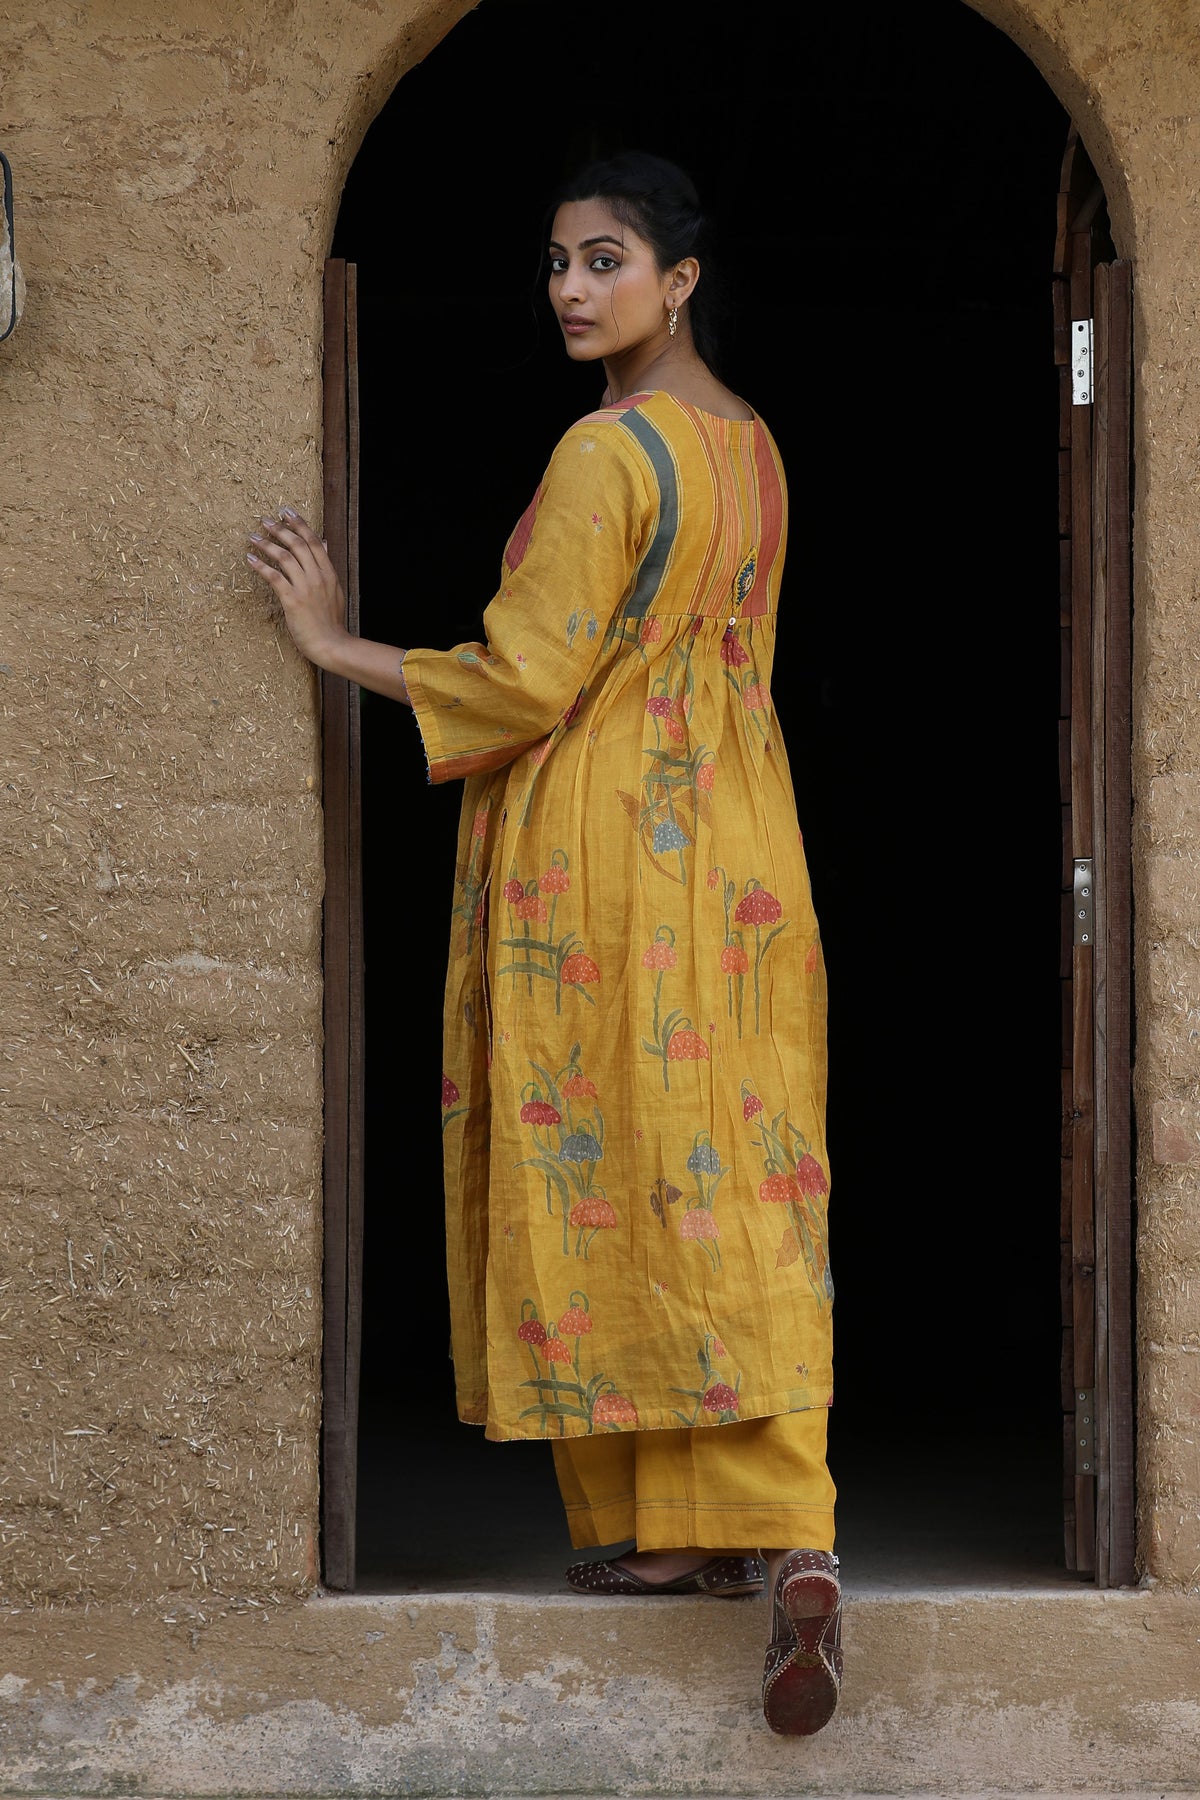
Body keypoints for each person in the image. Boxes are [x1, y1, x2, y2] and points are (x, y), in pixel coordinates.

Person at [247, 150, 841, 1736]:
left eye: (607, 260)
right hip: (741, 848)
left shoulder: (608, 454)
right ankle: (746, 1524)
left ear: (682, 276)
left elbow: (520, 685)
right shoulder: (758, 449)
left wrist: (328, 639)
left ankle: (685, 1530)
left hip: (600, 847)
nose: (574, 290)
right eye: (562, 264)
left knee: (609, 1158)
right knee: (732, 1154)